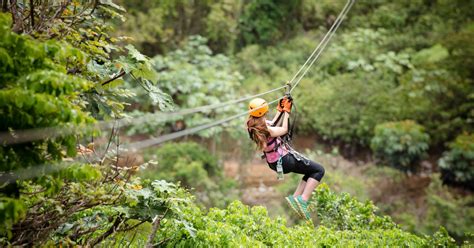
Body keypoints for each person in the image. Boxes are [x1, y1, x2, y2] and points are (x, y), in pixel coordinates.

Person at [246, 97, 325, 220]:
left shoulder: (252, 126)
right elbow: (283, 130)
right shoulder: (265, 129)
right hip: (284, 161)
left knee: (310, 171)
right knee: (319, 170)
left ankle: (296, 197)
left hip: (274, 162)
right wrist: (287, 113)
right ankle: (303, 199)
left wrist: (280, 110)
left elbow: (273, 124)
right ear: (263, 112)